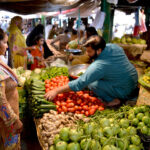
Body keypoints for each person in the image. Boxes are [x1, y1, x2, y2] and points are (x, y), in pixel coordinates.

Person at [45, 35, 138, 107]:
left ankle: (113, 100)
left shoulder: (99, 66)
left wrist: (56, 91)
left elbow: (80, 83)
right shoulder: (114, 47)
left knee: (91, 84)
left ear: (99, 50)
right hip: (133, 79)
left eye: (89, 52)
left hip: (125, 90)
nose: (87, 54)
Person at [0, 28, 23, 150]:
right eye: (5, 42)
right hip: (6, 123)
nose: (7, 47)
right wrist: (14, 120)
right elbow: (1, 100)